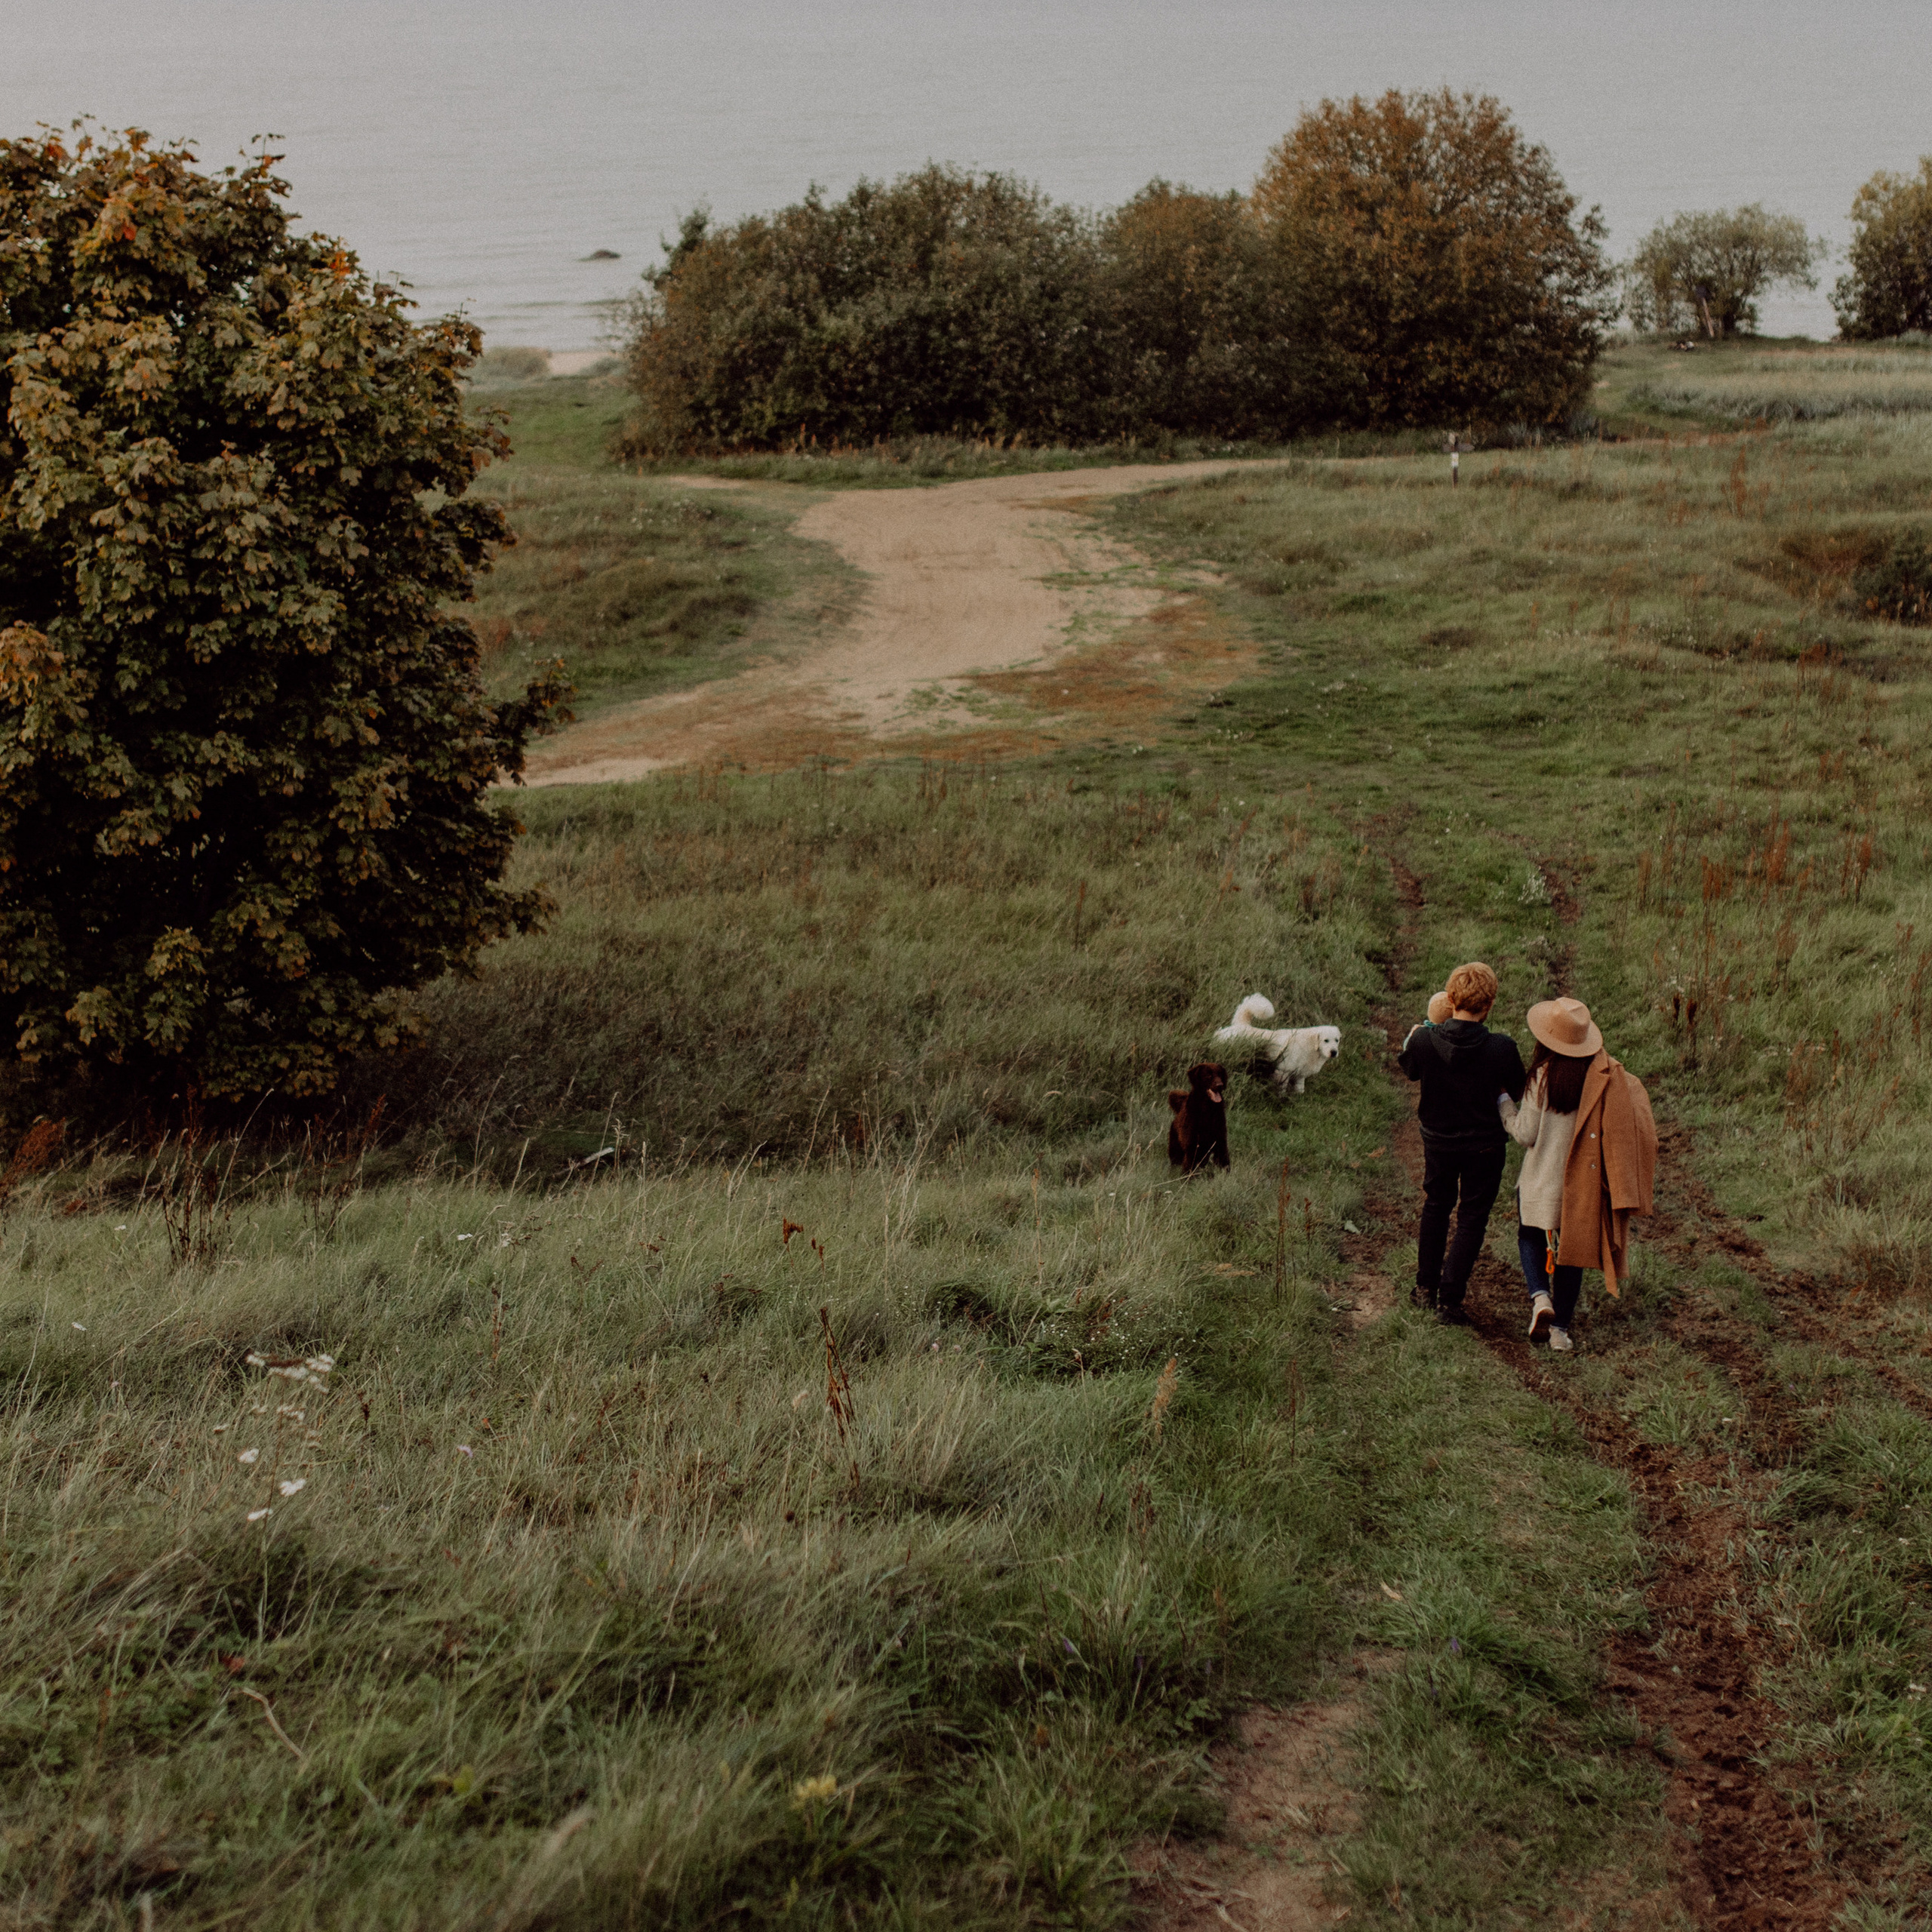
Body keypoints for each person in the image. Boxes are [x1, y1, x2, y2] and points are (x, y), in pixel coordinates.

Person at [1500, 995, 1658, 1352]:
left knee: (1530, 1235)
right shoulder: (1602, 1080)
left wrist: (1504, 1106)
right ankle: (1561, 1332)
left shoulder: (1541, 1076)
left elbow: (1525, 1134)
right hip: (1582, 1186)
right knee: (1572, 1255)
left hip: (1541, 1181)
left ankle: (1540, 1298)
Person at [1398, 961, 1526, 1324]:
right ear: (1490, 1005)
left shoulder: (1424, 1039)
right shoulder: (1502, 1047)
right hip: (1485, 1146)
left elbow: (1409, 1068)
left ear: (1450, 998)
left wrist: (1417, 1033)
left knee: (1436, 1206)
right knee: (1472, 1218)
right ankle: (1450, 1301)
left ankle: (1424, 1288)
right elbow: (1518, 1089)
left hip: (1437, 1141)